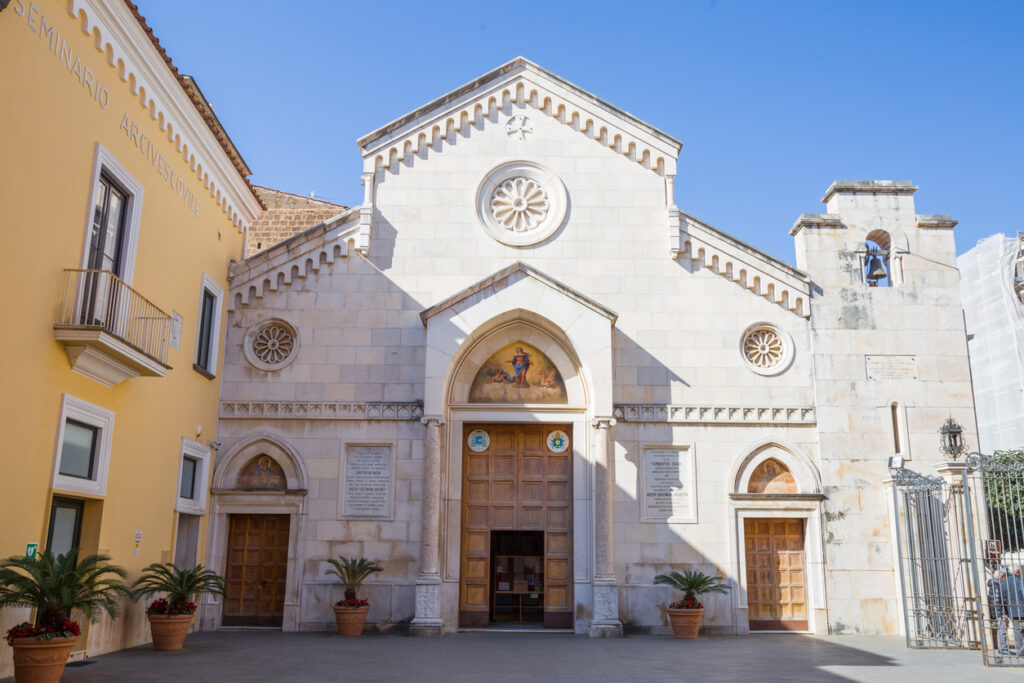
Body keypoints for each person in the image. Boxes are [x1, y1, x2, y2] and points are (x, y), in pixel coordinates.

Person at [999, 566, 1024, 656]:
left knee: (1018, 631)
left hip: (1013, 611)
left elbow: (1003, 598)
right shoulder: (1020, 580)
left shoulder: (1004, 583)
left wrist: (1005, 611)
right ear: (1017, 571)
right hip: (1022, 608)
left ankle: (1021, 652)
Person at [989, 569, 1007, 653]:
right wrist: (1002, 613)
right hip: (999, 611)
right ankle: (1002, 648)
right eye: (1003, 577)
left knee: (1000, 629)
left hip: (996, 611)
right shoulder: (996, 585)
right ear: (1000, 577)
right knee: (1002, 630)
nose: (1004, 579)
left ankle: (1001, 648)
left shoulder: (993, 584)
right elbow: (997, 600)